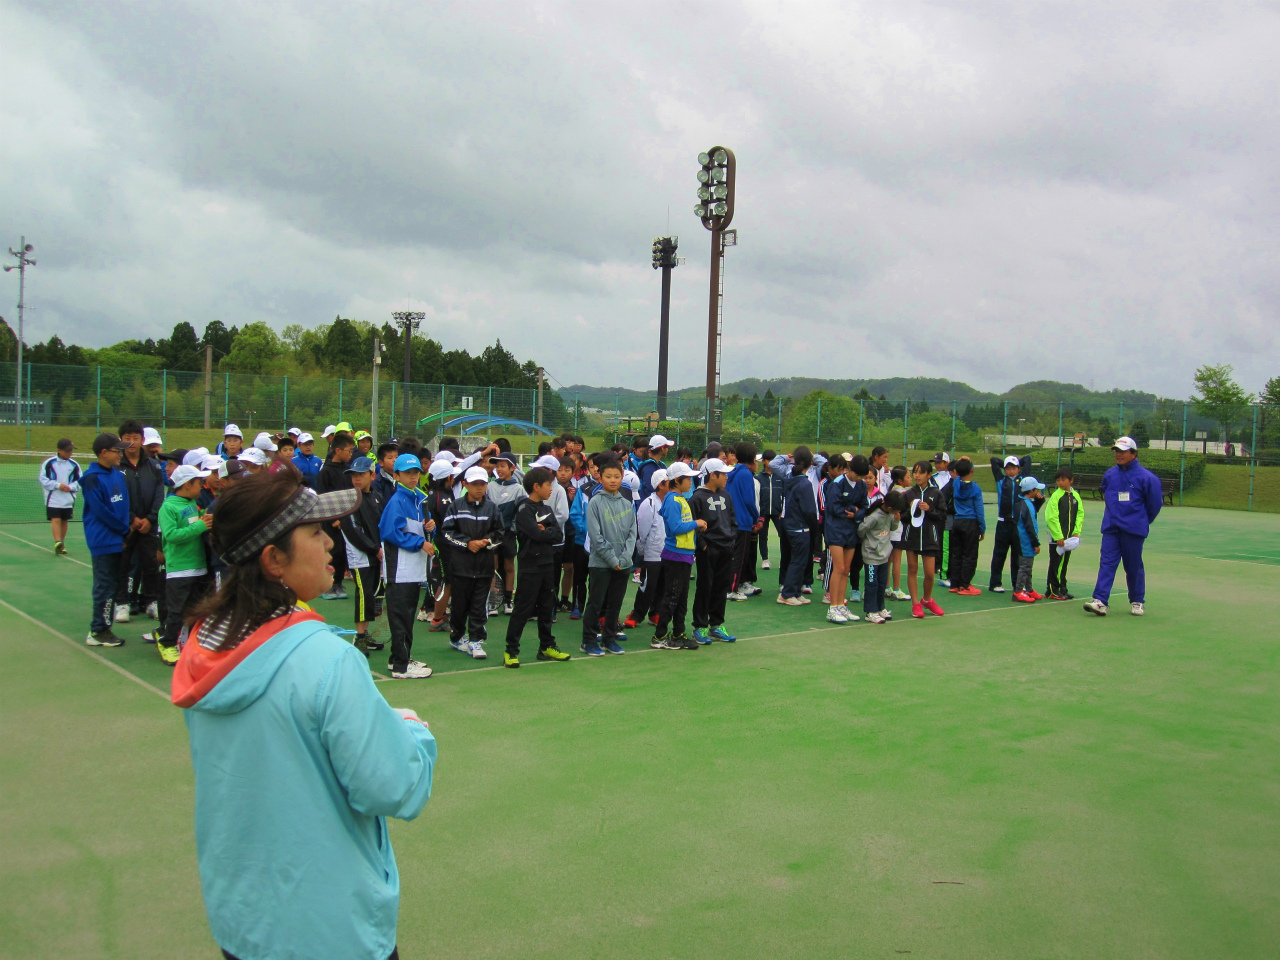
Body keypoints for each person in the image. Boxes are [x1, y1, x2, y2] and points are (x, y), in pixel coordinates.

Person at [171, 470, 435, 960]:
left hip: (243, 919)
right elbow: (393, 787)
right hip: (331, 928)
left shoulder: (205, 641)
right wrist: (413, 733)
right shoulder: (327, 659)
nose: (330, 542)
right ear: (273, 559)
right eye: (314, 532)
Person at [1085, 437, 1163, 617]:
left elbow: (1154, 505)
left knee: (1133, 566)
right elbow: (1107, 492)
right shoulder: (1110, 475)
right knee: (1106, 563)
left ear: (1134, 454)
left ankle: (1137, 600)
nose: (1118, 454)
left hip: (1133, 530)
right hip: (1111, 528)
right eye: (1116, 451)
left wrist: (1140, 521)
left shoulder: (1148, 478)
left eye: (1122, 451)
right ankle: (1100, 601)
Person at [503, 466, 572, 667]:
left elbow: (558, 534)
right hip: (530, 568)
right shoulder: (524, 509)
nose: (551, 488)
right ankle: (511, 650)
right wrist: (546, 531)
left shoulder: (547, 509)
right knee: (522, 610)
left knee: (546, 607)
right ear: (536, 486)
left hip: (548, 565)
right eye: (548, 485)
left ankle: (546, 647)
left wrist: (546, 531)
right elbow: (536, 534)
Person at [379, 453, 435, 678]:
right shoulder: (397, 501)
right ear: (396, 476)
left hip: (413, 569)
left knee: (406, 616)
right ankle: (401, 667)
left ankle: (398, 659)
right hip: (399, 571)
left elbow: (422, 531)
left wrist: (430, 529)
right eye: (408, 473)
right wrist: (420, 542)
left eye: (416, 472)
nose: (413, 476)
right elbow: (389, 532)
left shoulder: (419, 498)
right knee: (401, 617)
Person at [441, 465, 504, 660]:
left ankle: (476, 640)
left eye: (482, 484)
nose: (479, 488)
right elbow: (447, 533)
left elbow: (500, 532)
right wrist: (467, 543)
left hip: (484, 567)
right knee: (459, 606)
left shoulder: (492, 508)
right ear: (465, 484)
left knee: (479, 606)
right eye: (475, 484)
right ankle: (457, 637)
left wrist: (486, 542)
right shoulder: (455, 506)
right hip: (460, 567)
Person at [156, 464, 215, 665]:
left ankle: (189, 644)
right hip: (180, 569)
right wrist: (200, 525)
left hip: (199, 566)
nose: (202, 486)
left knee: (196, 609)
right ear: (187, 484)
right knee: (176, 611)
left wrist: (204, 517)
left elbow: (193, 523)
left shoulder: (191, 503)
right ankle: (167, 644)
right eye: (199, 482)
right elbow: (171, 535)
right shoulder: (168, 507)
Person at [581, 458, 638, 656]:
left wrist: (624, 559)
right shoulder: (595, 502)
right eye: (608, 476)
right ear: (600, 478)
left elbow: (632, 534)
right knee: (596, 603)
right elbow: (595, 537)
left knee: (615, 604)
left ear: (622, 478)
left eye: (616, 476)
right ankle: (588, 641)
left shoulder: (627, 504)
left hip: (623, 564)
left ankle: (609, 639)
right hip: (600, 564)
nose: (612, 480)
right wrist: (613, 560)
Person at [81, 433, 132, 647]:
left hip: (118, 537)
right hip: (103, 539)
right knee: (104, 585)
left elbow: (124, 504)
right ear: (103, 453)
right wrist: (123, 530)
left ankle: (104, 627)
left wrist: (125, 532)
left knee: (113, 584)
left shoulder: (118, 475)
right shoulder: (91, 478)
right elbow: (101, 511)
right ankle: (97, 630)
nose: (120, 454)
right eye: (116, 451)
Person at [114, 419, 167, 623]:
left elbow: (159, 494)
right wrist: (131, 519)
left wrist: (150, 519)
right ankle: (122, 603)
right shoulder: (116, 466)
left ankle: (151, 601)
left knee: (151, 564)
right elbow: (116, 495)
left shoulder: (153, 466)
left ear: (142, 440)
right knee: (123, 564)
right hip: (126, 525)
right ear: (121, 440)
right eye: (127, 438)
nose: (132, 442)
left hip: (148, 525)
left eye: (135, 438)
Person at [652, 461, 705, 650]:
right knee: (672, 597)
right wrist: (697, 523)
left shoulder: (678, 498)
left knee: (681, 599)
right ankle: (659, 636)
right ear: (677, 480)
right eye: (688, 478)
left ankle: (678, 633)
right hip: (675, 556)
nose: (691, 482)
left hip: (683, 555)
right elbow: (675, 528)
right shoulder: (673, 500)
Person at [341, 456, 389, 656]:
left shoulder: (377, 497)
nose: (357, 478)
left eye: (361, 474)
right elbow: (354, 532)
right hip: (360, 557)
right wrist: (375, 549)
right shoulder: (350, 499)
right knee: (364, 594)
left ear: (372, 476)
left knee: (373, 595)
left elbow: (383, 524)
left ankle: (365, 634)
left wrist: (381, 549)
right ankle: (359, 637)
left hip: (376, 555)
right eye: (354, 475)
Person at [689, 457, 739, 644]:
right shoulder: (697, 498)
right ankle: (699, 626)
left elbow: (732, 521)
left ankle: (716, 625)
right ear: (712, 475)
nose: (726, 477)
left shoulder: (726, 495)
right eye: (723, 474)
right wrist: (703, 545)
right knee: (705, 586)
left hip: (726, 548)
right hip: (708, 550)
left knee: (721, 587)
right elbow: (693, 525)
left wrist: (732, 540)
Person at [822, 454, 867, 623]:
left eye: (862, 476)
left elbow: (864, 507)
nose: (859, 479)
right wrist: (852, 510)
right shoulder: (837, 483)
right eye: (857, 475)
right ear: (849, 470)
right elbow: (833, 507)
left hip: (851, 530)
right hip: (835, 529)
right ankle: (833, 608)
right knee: (839, 567)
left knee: (846, 569)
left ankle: (841, 605)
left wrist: (855, 514)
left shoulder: (861, 485)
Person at [625, 467, 668, 629]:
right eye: (670, 482)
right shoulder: (648, 503)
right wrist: (643, 551)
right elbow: (642, 531)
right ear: (661, 485)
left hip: (668, 552)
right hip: (652, 553)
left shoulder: (672, 501)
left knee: (663, 585)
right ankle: (637, 614)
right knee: (648, 586)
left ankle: (655, 612)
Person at [903, 460, 946, 618]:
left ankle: (927, 600)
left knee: (929, 573)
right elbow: (903, 517)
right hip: (912, 537)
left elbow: (942, 515)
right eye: (915, 472)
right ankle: (915, 603)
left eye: (921, 472)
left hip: (929, 538)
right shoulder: (909, 494)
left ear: (929, 475)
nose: (917, 475)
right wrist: (910, 510)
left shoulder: (936, 493)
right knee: (912, 569)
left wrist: (930, 509)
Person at [318, 434, 356, 599]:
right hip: (331, 520)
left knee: (343, 551)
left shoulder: (348, 471)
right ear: (338, 450)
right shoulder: (325, 471)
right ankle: (326, 585)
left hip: (346, 518)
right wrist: (333, 519)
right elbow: (322, 496)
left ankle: (338, 583)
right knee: (333, 551)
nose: (350, 454)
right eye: (348, 450)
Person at [487, 453, 526, 615]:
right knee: (493, 567)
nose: (499, 469)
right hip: (492, 534)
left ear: (512, 468)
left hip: (509, 535)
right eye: (497, 466)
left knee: (509, 566)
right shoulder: (490, 486)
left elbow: (522, 512)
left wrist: (513, 529)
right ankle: (493, 601)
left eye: (503, 466)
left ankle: (508, 600)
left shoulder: (518, 489)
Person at [858, 489, 905, 624]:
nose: (897, 513)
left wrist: (896, 520)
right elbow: (861, 530)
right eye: (896, 511)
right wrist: (870, 543)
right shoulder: (874, 517)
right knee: (871, 584)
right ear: (889, 508)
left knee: (881, 584)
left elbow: (892, 528)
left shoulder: (890, 515)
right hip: (872, 556)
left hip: (884, 555)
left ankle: (880, 608)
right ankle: (870, 612)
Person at [988, 453, 1032, 593]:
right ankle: (995, 583)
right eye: (1008, 468)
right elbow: (993, 460)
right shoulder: (1001, 480)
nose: (1011, 471)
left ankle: (1017, 584)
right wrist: (1004, 462)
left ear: (1019, 468)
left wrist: (1017, 461)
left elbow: (1028, 459)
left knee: (1017, 556)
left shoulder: (1023, 479)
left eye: (1014, 468)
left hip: (1018, 524)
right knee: (999, 554)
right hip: (1003, 523)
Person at [779, 446, 818, 606]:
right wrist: (814, 526)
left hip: (791, 524)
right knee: (798, 561)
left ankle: (795, 591)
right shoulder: (804, 483)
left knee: (797, 560)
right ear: (810, 463)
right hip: (800, 526)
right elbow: (809, 510)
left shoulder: (791, 479)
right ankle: (787, 594)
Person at [725, 441, 763, 601]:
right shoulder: (746, 474)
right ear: (752, 457)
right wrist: (756, 518)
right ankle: (732, 589)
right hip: (743, 521)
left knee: (733, 556)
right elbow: (749, 500)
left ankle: (733, 586)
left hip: (731, 520)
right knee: (739, 558)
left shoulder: (732, 472)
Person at [1044, 466, 1085, 600]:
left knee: (1064, 564)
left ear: (1071, 480)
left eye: (1063, 480)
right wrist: (1058, 537)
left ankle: (1062, 588)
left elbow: (1080, 514)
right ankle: (1052, 590)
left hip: (1069, 538)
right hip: (1057, 539)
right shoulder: (1056, 496)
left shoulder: (1075, 496)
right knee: (1055, 563)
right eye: (1058, 480)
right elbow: (1051, 517)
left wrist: (1076, 532)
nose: (1060, 483)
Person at [947, 458, 986, 595]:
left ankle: (955, 584)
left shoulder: (956, 483)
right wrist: (982, 528)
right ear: (972, 470)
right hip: (971, 523)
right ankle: (965, 585)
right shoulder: (975, 489)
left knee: (956, 554)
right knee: (969, 555)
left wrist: (962, 462)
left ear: (957, 472)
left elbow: (962, 472)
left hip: (957, 522)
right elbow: (979, 511)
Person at [39, 437, 81, 554]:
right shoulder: (49, 463)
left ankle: (61, 544)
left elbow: (79, 481)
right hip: (53, 498)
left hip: (68, 499)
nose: (70, 453)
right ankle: (57, 541)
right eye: (67, 450)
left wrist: (71, 487)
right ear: (59, 450)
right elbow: (43, 480)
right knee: (56, 519)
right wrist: (58, 486)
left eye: (71, 450)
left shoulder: (74, 465)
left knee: (64, 520)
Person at [1011, 476, 1045, 603]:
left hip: (1021, 538)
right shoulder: (1027, 505)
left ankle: (1029, 589)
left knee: (1028, 566)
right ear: (1031, 491)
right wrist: (1035, 543)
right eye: (1036, 489)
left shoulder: (1021, 502)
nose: (1038, 492)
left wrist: (1039, 501)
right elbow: (1030, 526)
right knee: (1025, 566)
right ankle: (1018, 592)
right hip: (1025, 540)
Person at [757, 449, 784, 572]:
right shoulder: (758, 478)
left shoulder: (780, 477)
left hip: (778, 511)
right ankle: (765, 559)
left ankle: (784, 560)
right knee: (763, 536)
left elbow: (785, 494)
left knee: (783, 535)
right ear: (763, 461)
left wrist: (782, 510)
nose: (771, 462)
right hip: (763, 512)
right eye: (769, 460)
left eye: (773, 460)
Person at [929, 452, 954, 587]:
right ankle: (938, 567)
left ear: (947, 463)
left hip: (950, 514)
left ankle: (946, 569)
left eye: (939, 462)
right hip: (937, 514)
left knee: (947, 544)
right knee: (938, 541)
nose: (937, 465)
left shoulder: (953, 476)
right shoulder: (933, 478)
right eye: (936, 463)